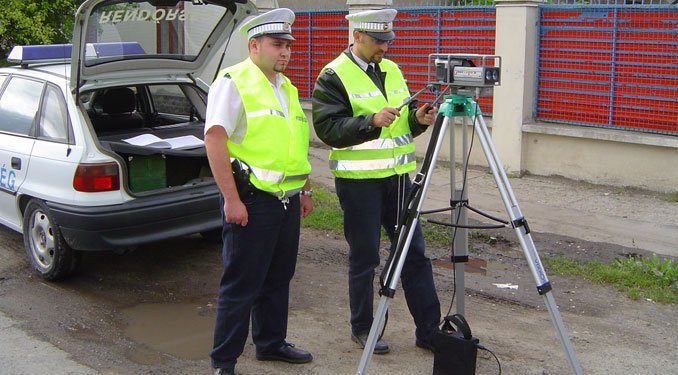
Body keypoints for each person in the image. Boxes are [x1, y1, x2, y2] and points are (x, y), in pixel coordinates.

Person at [311, 8, 441, 355]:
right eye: (377, 41)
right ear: (357, 37)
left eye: (387, 40)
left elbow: (399, 125)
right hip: (360, 184)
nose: (384, 47)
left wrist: (418, 119)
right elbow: (327, 130)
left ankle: (429, 331)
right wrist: (369, 120)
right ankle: (364, 328)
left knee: (414, 253)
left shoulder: (392, 69)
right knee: (365, 257)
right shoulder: (332, 75)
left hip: (398, 178)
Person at [204, 8, 314, 375]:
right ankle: (224, 361)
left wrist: (307, 187)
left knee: (279, 276)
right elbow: (215, 140)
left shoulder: (288, 88)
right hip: (252, 200)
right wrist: (231, 200)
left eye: (288, 46)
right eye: (277, 45)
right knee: (241, 283)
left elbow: (293, 144)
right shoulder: (233, 82)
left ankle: (270, 343)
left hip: (287, 199)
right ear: (254, 45)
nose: (285, 52)